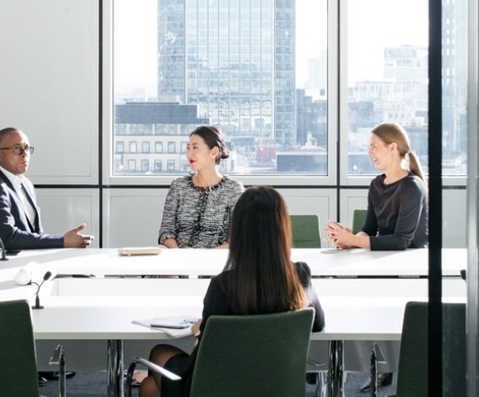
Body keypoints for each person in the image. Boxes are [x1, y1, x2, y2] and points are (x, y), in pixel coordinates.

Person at [139, 186, 325, 397]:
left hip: (214, 387)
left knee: (157, 356)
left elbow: (206, 353)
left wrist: (199, 332)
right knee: (149, 387)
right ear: (283, 228)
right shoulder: (300, 276)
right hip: (276, 384)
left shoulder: (222, 286)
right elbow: (317, 323)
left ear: (238, 231)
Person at [0, 127, 93, 249]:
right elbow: (7, 238)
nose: (24, 154)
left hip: (27, 262)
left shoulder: (26, 184)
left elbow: (36, 234)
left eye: (27, 148)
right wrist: (62, 241)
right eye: (17, 149)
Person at [326, 122, 428, 250]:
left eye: (374, 147)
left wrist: (353, 239)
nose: (369, 153)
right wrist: (348, 242)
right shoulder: (376, 185)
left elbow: (401, 241)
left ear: (392, 148)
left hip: (412, 263)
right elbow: (369, 230)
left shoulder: (412, 187)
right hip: (384, 258)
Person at [158, 126, 244, 249]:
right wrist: (179, 254)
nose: (189, 154)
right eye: (188, 148)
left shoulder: (233, 189)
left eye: (195, 148)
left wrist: (201, 257)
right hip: (179, 258)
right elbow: (166, 232)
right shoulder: (178, 186)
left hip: (216, 261)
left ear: (214, 152)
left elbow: (237, 238)